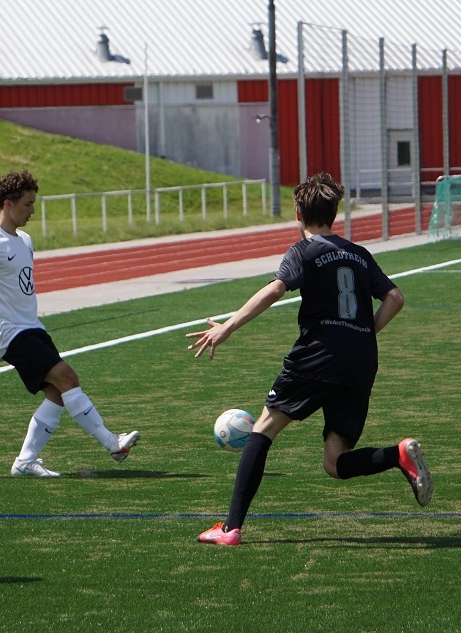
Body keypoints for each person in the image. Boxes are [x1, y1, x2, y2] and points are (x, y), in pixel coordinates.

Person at [185, 172, 432, 546]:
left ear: (298, 214)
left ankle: (230, 528)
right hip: (360, 361)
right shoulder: (359, 254)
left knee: (263, 429)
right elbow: (395, 298)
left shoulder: (303, 251)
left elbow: (275, 289)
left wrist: (228, 327)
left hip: (318, 355)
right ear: (334, 213)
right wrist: (362, 334)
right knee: (335, 462)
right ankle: (397, 455)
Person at [0, 170, 140, 477]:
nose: (32, 210)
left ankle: (25, 462)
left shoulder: (24, 240)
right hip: (10, 333)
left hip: (32, 328)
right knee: (67, 377)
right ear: (7, 204)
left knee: (57, 393)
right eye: (27, 204)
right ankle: (112, 443)